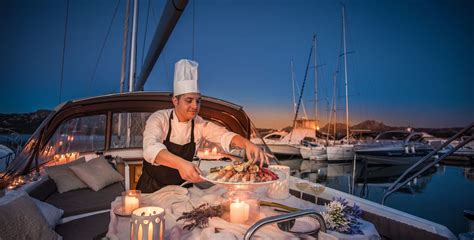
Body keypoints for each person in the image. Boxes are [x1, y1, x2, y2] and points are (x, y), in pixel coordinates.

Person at [137, 59, 269, 193]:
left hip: (182, 189)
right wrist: (181, 164)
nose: (195, 106)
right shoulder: (159, 118)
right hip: (152, 190)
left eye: (198, 101)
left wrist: (246, 144)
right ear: (175, 100)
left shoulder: (198, 124)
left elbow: (223, 135)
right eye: (189, 100)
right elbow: (150, 149)